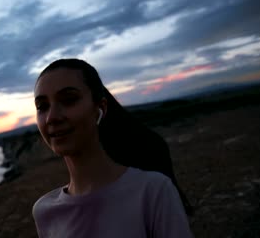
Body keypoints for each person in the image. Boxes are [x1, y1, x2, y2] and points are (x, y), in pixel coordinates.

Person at [32, 58, 193, 238]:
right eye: (42, 106)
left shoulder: (153, 191)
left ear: (100, 108)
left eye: (69, 100)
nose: (51, 117)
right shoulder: (44, 211)